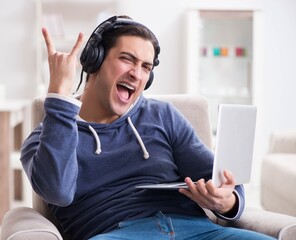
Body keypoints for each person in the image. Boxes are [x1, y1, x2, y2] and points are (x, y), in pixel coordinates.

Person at [21, 15, 275, 240]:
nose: (137, 74)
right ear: (95, 62)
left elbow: (221, 179)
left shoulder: (162, 115)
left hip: (198, 230)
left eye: (146, 67)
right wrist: (58, 97)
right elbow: (57, 192)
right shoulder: (46, 136)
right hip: (113, 232)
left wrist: (225, 201)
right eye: (127, 59)